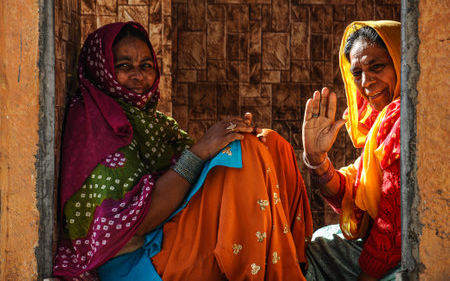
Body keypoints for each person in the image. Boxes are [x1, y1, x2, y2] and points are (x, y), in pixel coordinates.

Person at [53, 21, 313, 280]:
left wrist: (233, 137)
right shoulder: (94, 122)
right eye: (124, 66)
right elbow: (138, 222)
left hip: (167, 233)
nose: (138, 76)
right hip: (136, 258)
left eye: (146, 66)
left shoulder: (152, 123)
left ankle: (293, 265)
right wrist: (201, 151)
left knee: (269, 142)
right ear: (102, 70)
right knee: (245, 152)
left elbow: (196, 178)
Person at [302, 20, 401, 280]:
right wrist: (317, 159)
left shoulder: (404, 117)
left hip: (415, 253)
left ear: (404, 62)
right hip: (395, 248)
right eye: (357, 73)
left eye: (377, 66)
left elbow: (393, 217)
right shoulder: (385, 121)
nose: (366, 82)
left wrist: (367, 276)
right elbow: (354, 189)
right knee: (320, 241)